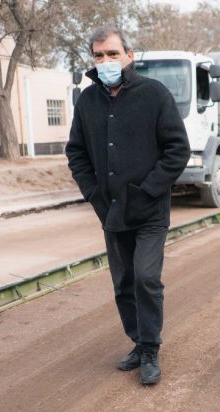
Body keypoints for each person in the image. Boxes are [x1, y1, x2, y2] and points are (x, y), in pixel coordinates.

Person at [66, 27, 191, 385]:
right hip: (112, 212)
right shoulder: (87, 101)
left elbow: (177, 150)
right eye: (98, 55)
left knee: (146, 278)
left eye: (112, 53)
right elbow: (76, 152)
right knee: (123, 282)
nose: (105, 61)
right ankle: (138, 342)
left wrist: (149, 189)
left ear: (129, 55)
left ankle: (151, 349)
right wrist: (93, 193)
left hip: (150, 209)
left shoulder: (154, 94)